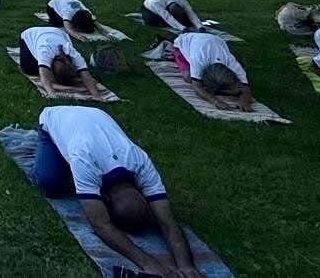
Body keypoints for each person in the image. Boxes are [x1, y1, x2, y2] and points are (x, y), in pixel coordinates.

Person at [33, 106, 199, 277]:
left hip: (97, 115)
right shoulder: (85, 159)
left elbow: (167, 221)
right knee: (50, 184)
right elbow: (101, 225)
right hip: (54, 117)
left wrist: (187, 266)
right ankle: (55, 147)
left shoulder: (141, 163)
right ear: (104, 199)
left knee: (75, 174)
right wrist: (147, 262)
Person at [172, 31, 253, 112]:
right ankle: (171, 52)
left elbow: (245, 87)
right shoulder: (199, 60)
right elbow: (196, 86)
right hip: (183, 42)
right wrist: (215, 101)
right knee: (188, 77)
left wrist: (245, 101)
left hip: (213, 40)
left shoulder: (231, 62)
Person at [19, 26, 106, 100]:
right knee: (30, 70)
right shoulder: (45, 52)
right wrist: (52, 94)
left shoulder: (74, 55)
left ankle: (64, 78)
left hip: (57, 32)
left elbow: (86, 76)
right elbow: (45, 79)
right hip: (30, 35)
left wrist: (96, 95)